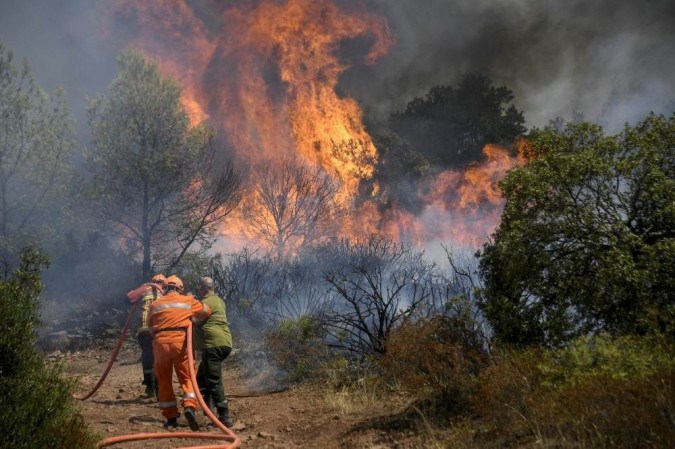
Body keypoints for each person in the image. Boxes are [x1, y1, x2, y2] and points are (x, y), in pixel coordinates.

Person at [148, 274, 211, 431]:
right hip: (181, 342)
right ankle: (189, 407)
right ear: (180, 289)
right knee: (187, 376)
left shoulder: (154, 304)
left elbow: (150, 327)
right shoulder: (187, 300)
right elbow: (206, 311)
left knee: (164, 379)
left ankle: (170, 418)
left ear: (165, 288)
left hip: (160, 343)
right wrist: (193, 319)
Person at [193, 276, 235, 427]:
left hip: (213, 345)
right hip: (225, 343)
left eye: (199, 287)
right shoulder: (219, 301)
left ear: (204, 288)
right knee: (200, 378)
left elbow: (195, 320)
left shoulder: (205, 303)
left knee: (213, 380)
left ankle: (224, 416)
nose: (198, 290)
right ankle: (208, 405)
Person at [127, 273, 166, 397]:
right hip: (160, 329)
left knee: (148, 355)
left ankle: (150, 387)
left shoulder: (145, 288)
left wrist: (137, 290)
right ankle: (160, 389)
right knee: (159, 358)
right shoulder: (166, 292)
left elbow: (129, 298)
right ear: (164, 283)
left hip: (145, 328)